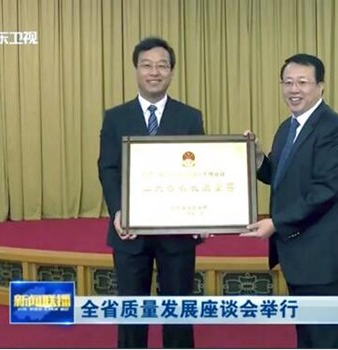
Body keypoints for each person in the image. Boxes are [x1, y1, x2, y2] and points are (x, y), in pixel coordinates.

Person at [242, 53, 338, 348]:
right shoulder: (287, 128)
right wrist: (257, 157)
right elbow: (280, 177)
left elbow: (326, 190)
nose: (294, 90)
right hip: (297, 253)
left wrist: (276, 223)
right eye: (288, 82)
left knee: (326, 339)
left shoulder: (335, 129)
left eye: (302, 82)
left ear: (321, 86)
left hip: (323, 255)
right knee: (307, 337)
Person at [98, 37, 204, 348]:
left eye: (162, 65)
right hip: (130, 232)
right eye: (147, 65)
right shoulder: (115, 117)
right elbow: (108, 168)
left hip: (178, 232)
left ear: (171, 72)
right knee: (132, 311)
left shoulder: (189, 116)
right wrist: (118, 211)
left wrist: (202, 214)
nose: (154, 72)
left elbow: (197, 169)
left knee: (179, 310)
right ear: (136, 70)